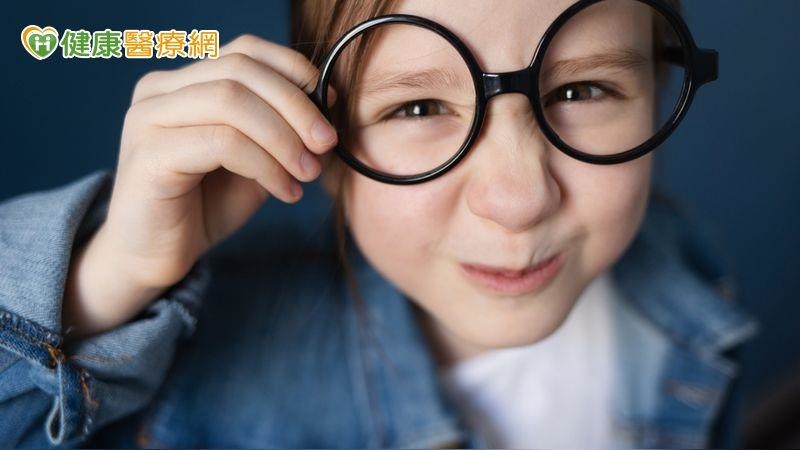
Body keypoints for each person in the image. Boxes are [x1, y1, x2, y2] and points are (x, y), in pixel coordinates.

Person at [0, 0, 758, 448]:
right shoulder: (203, 359)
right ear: (320, 143)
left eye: (583, 91)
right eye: (418, 107)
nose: (520, 198)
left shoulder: (680, 272)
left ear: (658, 88)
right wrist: (114, 277)